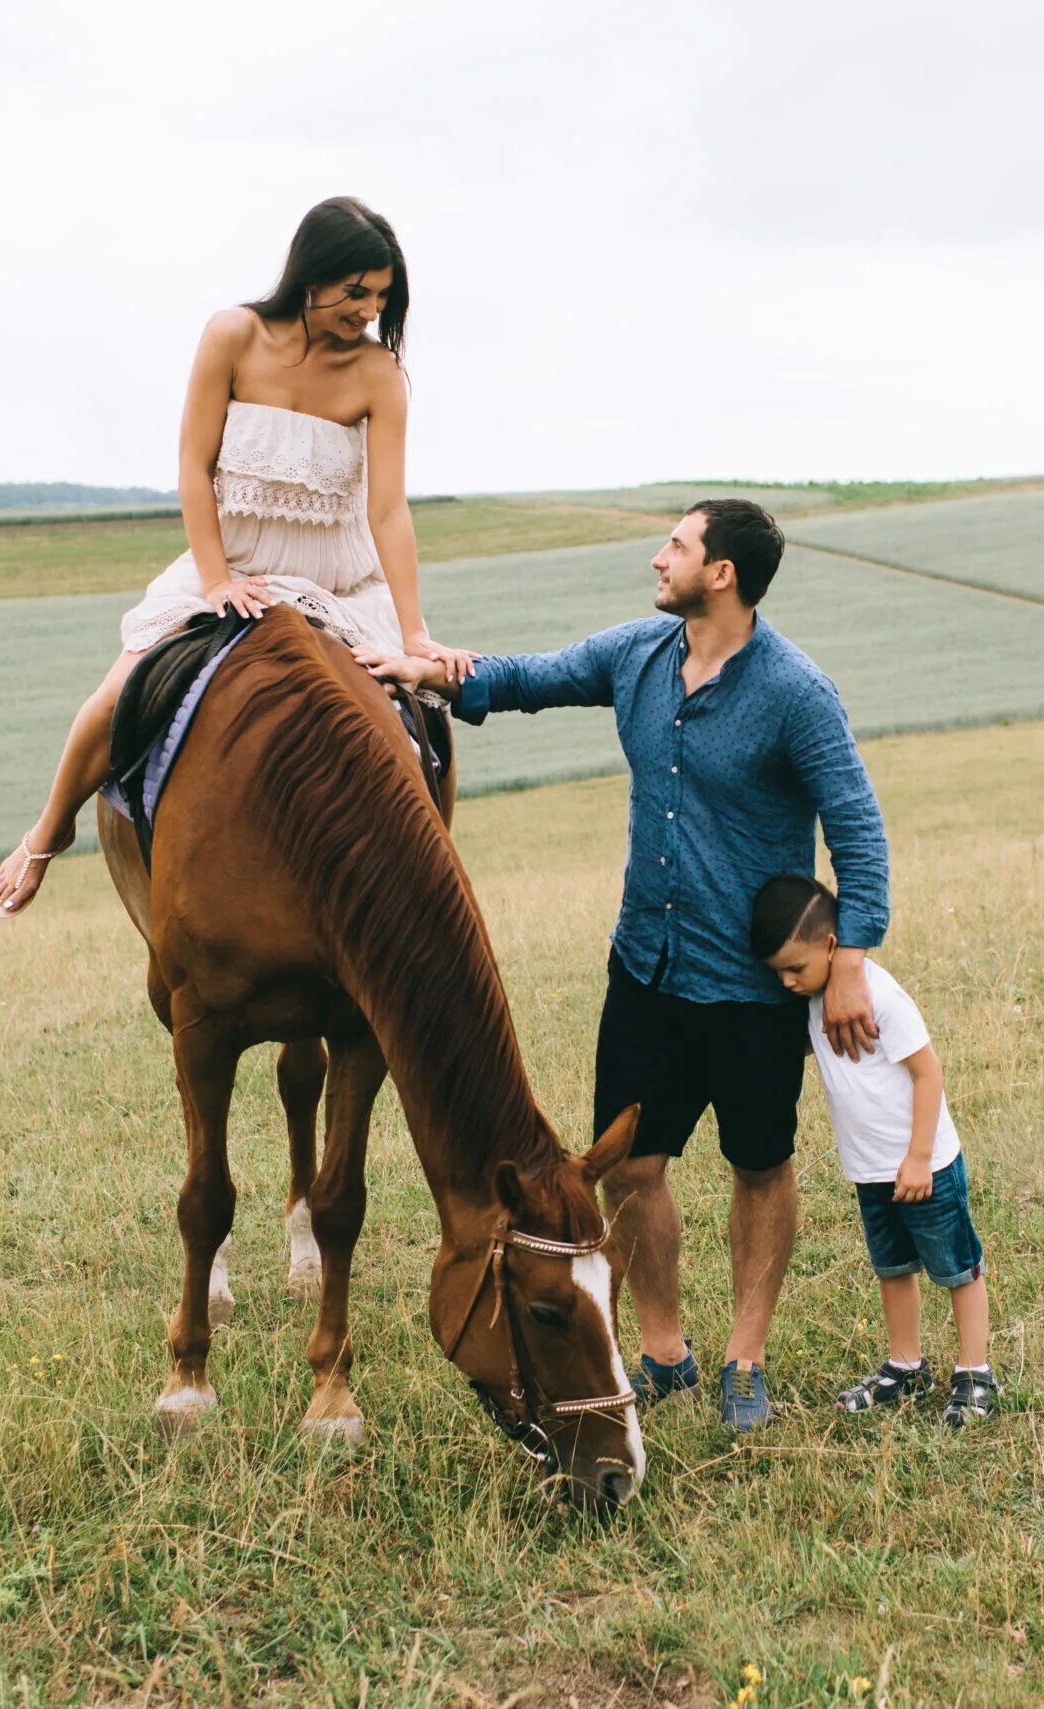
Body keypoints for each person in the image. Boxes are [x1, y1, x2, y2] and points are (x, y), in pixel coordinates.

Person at [358, 498, 889, 1432]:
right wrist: (428, 673)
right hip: (644, 966)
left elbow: (856, 826)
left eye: (677, 547)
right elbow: (530, 676)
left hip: (750, 989)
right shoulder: (639, 657)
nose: (659, 559)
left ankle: (745, 1361)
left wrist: (847, 961)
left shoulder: (796, 692)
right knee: (631, 1166)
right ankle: (665, 1349)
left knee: (759, 1165)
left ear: (720, 572)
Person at [0, 196, 473, 916]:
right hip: (230, 565)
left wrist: (414, 632)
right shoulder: (232, 336)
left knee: (408, 719)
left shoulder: (378, 374)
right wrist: (215, 582)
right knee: (114, 699)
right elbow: (193, 465)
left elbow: (388, 510)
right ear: (313, 275)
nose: (369, 310)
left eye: (380, 296)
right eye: (356, 292)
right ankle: (45, 833)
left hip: (333, 579)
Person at [752, 873, 997, 1427]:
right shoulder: (813, 1002)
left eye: (795, 968)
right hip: (871, 1170)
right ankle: (905, 1366)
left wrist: (916, 1157)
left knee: (958, 1268)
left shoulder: (880, 996)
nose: (788, 982)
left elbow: (928, 1074)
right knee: (892, 1267)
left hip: (924, 1164)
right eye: (779, 973)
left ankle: (975, 1372)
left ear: (833, 946)